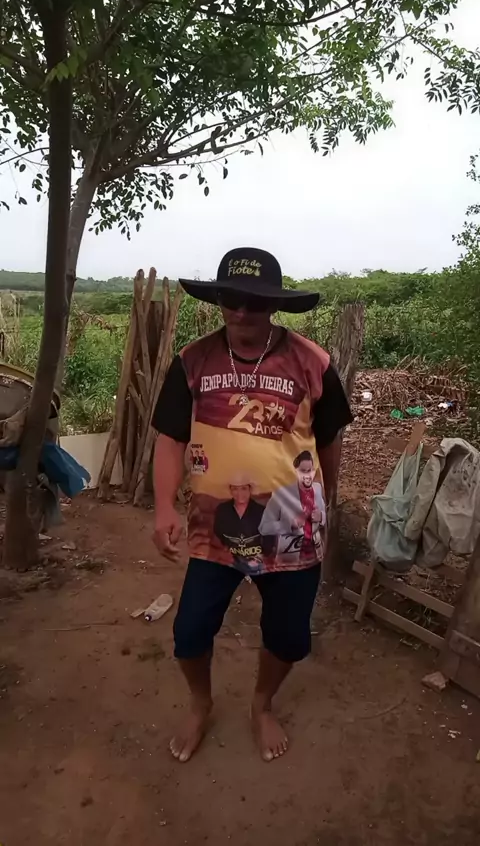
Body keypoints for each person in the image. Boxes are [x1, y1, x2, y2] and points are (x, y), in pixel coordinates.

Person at [152, 246, 353, 764]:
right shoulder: (192, 361)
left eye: (256, 302)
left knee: (287, 637)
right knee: (189, 632)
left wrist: (327, 499)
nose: (242, 312)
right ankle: (201, 703)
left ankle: (261, 705)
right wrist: (164, 508)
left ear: (274, 306)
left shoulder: (313, 363)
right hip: (214, 528)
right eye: (231, 299)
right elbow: (171, 439)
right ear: (218, 300)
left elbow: (329, 438)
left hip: (291, 527)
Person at [259, 451, 326, 564]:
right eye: (303, 471)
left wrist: (321, 516)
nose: (307, 475)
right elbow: (264, 528)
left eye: (310, 470)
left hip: (315, 558)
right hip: (289, 560)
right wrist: (290, 524)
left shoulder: (318, 489)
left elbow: (326, 517)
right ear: (296, 471)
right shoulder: (280, 494)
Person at [213, 475, 273, 573]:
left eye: (244, 488)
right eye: (235, 489)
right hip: (230, 559)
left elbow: (270, 539)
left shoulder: (262, 512)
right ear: (230, 491)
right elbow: (217, 532)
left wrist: (260, 557)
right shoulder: (222, 510)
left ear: (250, 490)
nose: (239, 493)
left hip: (256, 559)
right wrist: (224, 552)